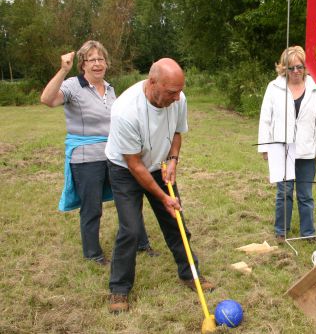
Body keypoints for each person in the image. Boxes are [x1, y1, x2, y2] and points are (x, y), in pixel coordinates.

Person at [104, 58, 214, 313]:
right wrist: (163, 197)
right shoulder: (125, 111)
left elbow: (176, 131)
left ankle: (190, 274)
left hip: (158, 166)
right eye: (171, 92)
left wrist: (173, 159)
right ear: (152, 83)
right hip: (125, 170)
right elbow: (134, 164)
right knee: (130, 229)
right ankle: (119, 289)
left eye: (179, 91)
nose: (177, 98)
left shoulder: (179, 98)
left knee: (176, 221)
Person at [40, 40, 158, 267]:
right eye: (91, 59)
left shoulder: (111, 88)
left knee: (130, 199)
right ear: (82, 64)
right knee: (92, 207)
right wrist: (63, 70)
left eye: (100, 59)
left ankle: (141, 244)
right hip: (86, 158)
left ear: (106, 62)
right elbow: (47, 100)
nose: (97, 64)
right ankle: (93, 254)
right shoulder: (73, 85)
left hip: (115, 155)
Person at [257, 46, 316, 243]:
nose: (296, 71)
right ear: (284, 68)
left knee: (305, 194)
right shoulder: (274, 88)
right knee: (284, 191)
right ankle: (281, 230)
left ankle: (308, 232)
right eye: (291, 68)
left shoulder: (315, 89)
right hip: (282, 149)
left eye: (299, 67)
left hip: (306, 150)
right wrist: (264, 147)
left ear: (305, 67)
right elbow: (265, 118)